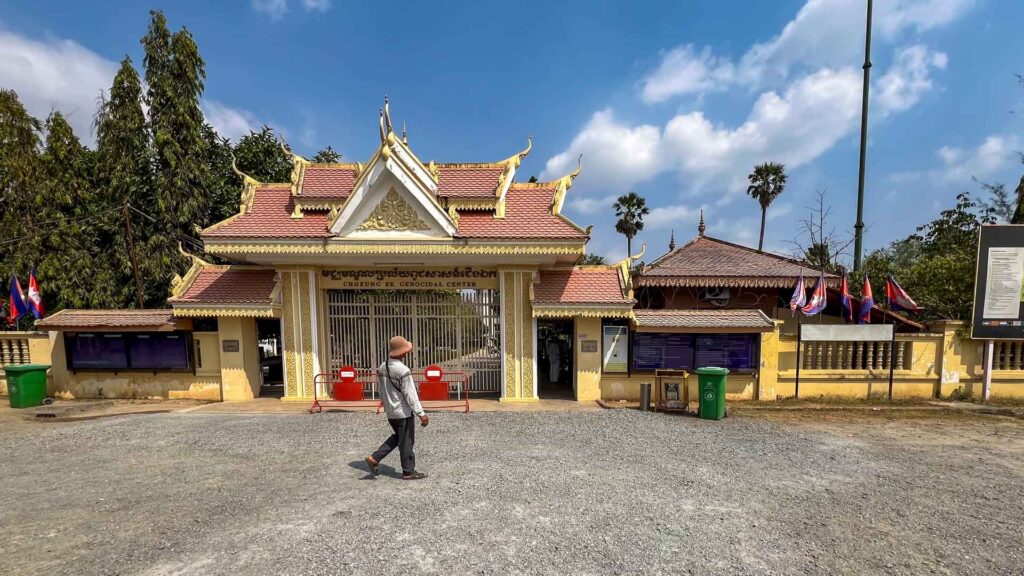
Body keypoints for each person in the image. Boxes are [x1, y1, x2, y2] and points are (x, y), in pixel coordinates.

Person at [365, 335, 429, 480]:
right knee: (406, 441)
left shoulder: (383, 366)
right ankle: (408, 471)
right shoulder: (402, 370)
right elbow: (410, 394)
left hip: (391, 411)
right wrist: (421, 413)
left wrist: (385, 405)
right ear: (403, 352)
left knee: (399, 437)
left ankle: (374, 458)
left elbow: (382, 389)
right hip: (403, 412)